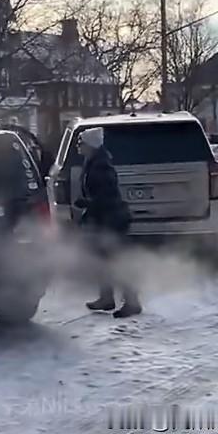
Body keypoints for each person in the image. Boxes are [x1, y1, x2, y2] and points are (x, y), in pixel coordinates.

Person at [74, 127, 141, 319]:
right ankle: (106, 298)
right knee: (102, 260)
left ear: (91, 145)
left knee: (117, 262)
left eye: (82, 143)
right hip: (104, 219)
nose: (79, 147)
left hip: (112, 220)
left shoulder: (100, 166)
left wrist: (86, 204)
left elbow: (107, 197)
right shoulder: (94, 161)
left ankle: (132, 302)